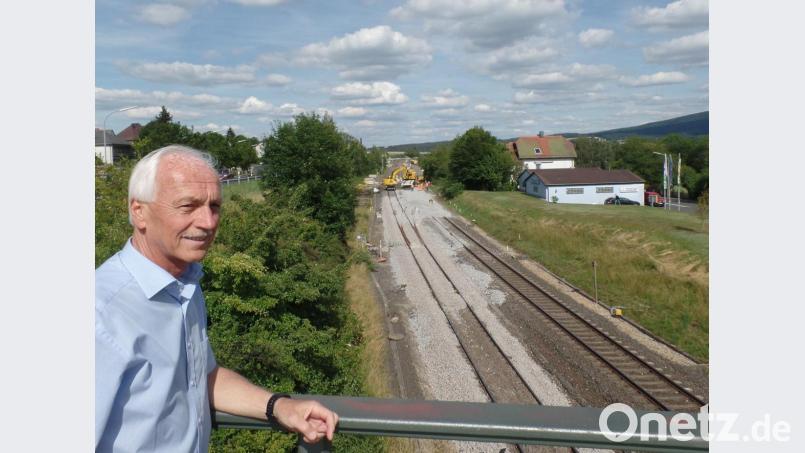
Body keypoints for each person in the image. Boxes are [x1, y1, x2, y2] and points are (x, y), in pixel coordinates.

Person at [95, 145, 338, 452]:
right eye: (188, 206)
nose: (208, 222)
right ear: (139, 211)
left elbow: (202, 378)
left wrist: (279, 406)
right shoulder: (100, 312)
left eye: (214, 206)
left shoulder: (185, 286)